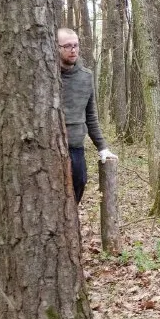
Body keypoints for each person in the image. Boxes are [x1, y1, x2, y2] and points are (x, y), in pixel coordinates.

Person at [57, 28, 118, 204]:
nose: (73, 50)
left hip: (75, 146)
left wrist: (102, 147)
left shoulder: (86, 76)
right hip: (48, 147)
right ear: (57, 48)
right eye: (67, 46)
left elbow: (91, 116)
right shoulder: (47, 76)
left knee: (79, 182)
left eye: (75, 45)